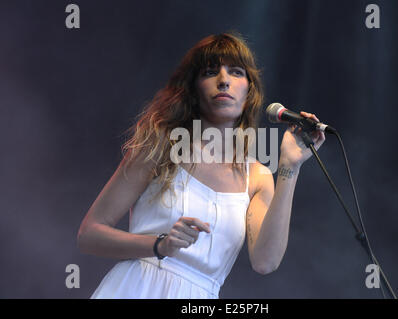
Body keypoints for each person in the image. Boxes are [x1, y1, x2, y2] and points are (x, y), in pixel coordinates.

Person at [77, 32, 325, 299]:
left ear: (249, 91)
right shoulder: (162, 146)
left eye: (236, 72)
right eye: (210, 72)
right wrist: (159, 245)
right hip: (135, 289)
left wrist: (290, 166)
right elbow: (89, 234)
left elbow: (265, 262)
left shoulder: (257, 176)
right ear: (194, 88)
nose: (223, 80)